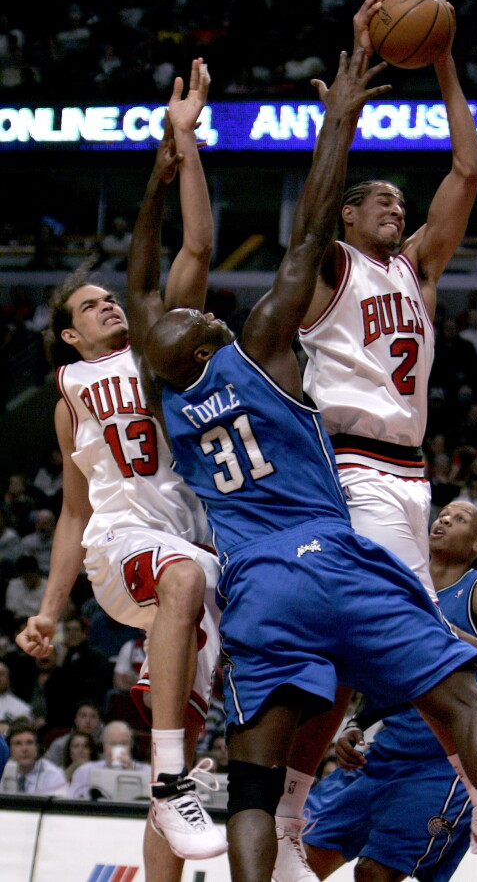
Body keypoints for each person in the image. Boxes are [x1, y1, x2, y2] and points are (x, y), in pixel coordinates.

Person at [143, 48, 477, 882]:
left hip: (408, 474)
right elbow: (301, 228)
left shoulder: (418, 267)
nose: (395, 205)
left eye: (399, 201)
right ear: (347, 218)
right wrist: (333, 124)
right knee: (426, 663)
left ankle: (312, 802)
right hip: (342, 468)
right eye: (378, 198)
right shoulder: (331, 270)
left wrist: (447, 63)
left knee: (378, 661)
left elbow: (468, 164)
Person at [15, 60, 226, 877]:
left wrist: (188, 146)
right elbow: (74, 512)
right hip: (125, 544)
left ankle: (175, 792)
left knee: (206, 737)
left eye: (112, 298)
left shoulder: (159, 352)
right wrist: (51, 607)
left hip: (193, 547)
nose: (107, 305)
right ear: (69, 337)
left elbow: (198, 246)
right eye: (89, 305)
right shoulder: (72, 390)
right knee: (179, 580)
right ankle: (167, 772)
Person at [301, 502, 477, 881]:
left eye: (459, 519)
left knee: (373, 874)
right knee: (301, 857)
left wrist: (446, 633)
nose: (443, 519)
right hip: (383, 753)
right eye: (443, 514)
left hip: (444, 766)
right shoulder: (405, 582)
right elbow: (392, 673)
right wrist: (357, 721)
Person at [68, 719, 150, 799]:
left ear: (132, 745)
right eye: (112, 743)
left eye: (124, 743)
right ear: (103, 746)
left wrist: (132, 774)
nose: (118, 748)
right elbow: (72, 803)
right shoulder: (84, 771)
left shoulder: (147, 772)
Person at [0, 719, 68, 795]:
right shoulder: (3, 770)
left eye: (29, 743)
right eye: (18, 744)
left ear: (38, 747)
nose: (24, 749)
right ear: (9, 748)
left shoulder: (53, 775)